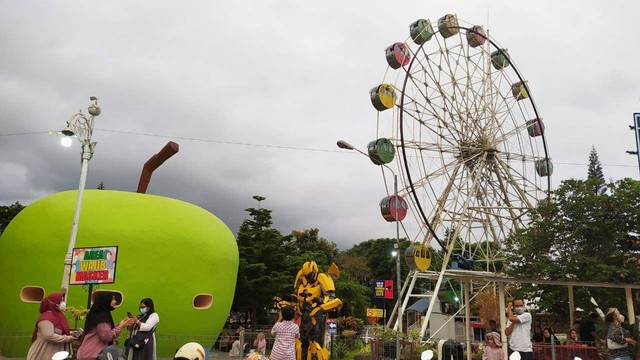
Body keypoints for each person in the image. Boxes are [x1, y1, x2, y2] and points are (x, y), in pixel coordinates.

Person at [77, 292, 132, 360]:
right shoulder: (101, 318)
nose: (115, 301)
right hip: (92, 354)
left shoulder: (97, 314)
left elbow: (104, 330)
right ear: (106, 301)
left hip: (88, 352)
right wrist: (120, 327)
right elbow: (107, 336)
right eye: (113, 299)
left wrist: (120, 324)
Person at [26, 292, 76, 360]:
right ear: (53, 303)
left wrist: (71, 334)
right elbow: (48, 335)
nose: (63, 303)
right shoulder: (46, 318)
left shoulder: (58, 316)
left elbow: (60, 331)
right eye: (61, 301)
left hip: (56, 351)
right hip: (44, 351)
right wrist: (67, 338)